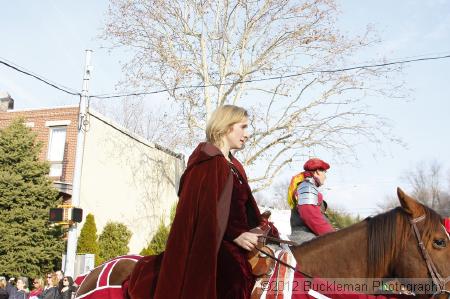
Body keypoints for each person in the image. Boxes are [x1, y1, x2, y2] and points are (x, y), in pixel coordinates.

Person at [127, 105, 279, 299]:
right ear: (226, 127)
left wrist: (260, 228)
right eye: (243, 127)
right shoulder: (208, 163)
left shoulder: (234, 165)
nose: (247, 134)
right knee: (235, 281)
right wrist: (234, 235)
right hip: (214, 246)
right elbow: (204, 215)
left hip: (239, 243)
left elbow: (237, 211)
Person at [287, 158, 334, 243]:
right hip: (307, 239)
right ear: (317, 172)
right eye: (324, 172)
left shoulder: (308, 186)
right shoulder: (307, 187)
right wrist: (332, 235)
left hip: (312, 237)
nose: (325, 177)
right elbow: (309, 214)